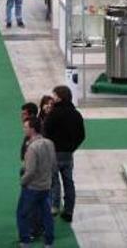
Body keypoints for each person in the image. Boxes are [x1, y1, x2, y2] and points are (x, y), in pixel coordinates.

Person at [42, 86, 85, 222]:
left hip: (54, 153)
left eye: (54, 96)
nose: (52, 98)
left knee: (54, 182)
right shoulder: (76, 114)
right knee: (69, 182)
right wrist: (72, 148)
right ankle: (69, 211)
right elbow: (81, 135)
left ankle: (54, 207)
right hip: (68, 154)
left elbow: (45, 130)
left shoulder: (54, 113)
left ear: (59, 97)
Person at [17, 116, 56, 248]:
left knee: (23, 214)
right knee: (46, 215)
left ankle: (25, 241)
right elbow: (53, 164)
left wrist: (23, 181)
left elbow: (30, 171)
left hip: (32, 187)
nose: (24, 129)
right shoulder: (50, 143)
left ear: (32, 129)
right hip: (46, 186)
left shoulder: (32, 148)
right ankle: (49, 242)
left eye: (26, 127)